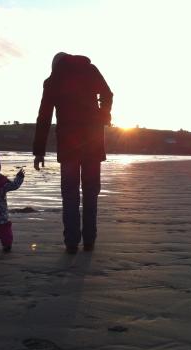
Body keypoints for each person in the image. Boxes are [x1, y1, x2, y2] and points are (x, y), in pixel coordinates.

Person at [33, 52, 113, 254]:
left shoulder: (53, 80)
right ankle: (89, 241)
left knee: (70, 194)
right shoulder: (90, 70)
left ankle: (71, 243)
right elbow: (108, 94)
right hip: (93, 143)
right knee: (90, 192)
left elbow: (44, 116)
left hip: (69, 145)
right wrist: (103, 117)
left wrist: (39, 151)